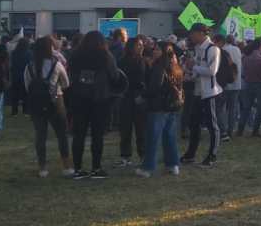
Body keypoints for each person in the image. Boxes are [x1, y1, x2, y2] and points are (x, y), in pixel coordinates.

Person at [68, 30, 122, 178]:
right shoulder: (106, 56)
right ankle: (96, 168)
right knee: (97, 135)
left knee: (79, 134)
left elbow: (70, 74)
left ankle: (78, 169)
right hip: (100, 99)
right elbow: (115, 75)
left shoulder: (76, 55)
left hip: (79, 97)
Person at [24, 36, 72, 178]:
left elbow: (27, 86)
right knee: (61, 134)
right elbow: (66, 83)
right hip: (56, 101)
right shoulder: (56, 64)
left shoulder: (29, 66)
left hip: (36, 103)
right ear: (50, 48)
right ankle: (66, 166)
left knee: (40, 135)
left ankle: (42, 168)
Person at [137, 41, 184, 178]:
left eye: (157, 49)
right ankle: (173, 164)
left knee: (153, 137)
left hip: (158, 106)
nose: (154, 51)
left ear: (163, 51)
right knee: (169, 137)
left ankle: (148, 167)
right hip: (172, 106)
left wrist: (142, 96)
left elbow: (154, 87)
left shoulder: (159, 67)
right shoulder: (176, 67)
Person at [182, 23, 222, 167]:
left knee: (212, 125)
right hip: (198, 92)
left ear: (200, 33)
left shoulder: (213, 49)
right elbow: (198, 70)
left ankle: (212, 155)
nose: (191, 37)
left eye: (192, 34)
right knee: (194, 124)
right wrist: (189, 73)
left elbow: (212, 71)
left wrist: (194, 67)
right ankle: (190, 154)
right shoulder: (198, 49)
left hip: (210, 93)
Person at [116, 36, 147, 167]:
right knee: (125, 128)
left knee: (141, 129)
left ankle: (143, 155)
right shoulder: (122, 60)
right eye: (138, 45)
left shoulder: (143, 60)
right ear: (131, 46)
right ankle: (125, 156)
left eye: (142, 45)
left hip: (139, 96)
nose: (141, 47)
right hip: (126, 96)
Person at [238, 39, 261, 137]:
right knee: (260, 109)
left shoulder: (245, 57)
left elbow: (243, 73)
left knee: (246, 108)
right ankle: (255, 130)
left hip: (248, 84)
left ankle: (240, 129)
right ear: (260, 46)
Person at [215, 34, 242, 142]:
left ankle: (223, 129)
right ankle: (230, 130)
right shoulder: (237, 50)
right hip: (236, 82)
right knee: (232, 108)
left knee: (219, 108)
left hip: (224, 84)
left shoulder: (220, 50)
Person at [9, 37, 32, 116]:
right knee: (26, 94)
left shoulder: (14, 53)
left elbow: (11, 64)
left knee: (15, 94)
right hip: (25, 75)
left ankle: (14, 111)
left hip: (15, 75)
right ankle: (26, 111)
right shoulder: (29, 53)